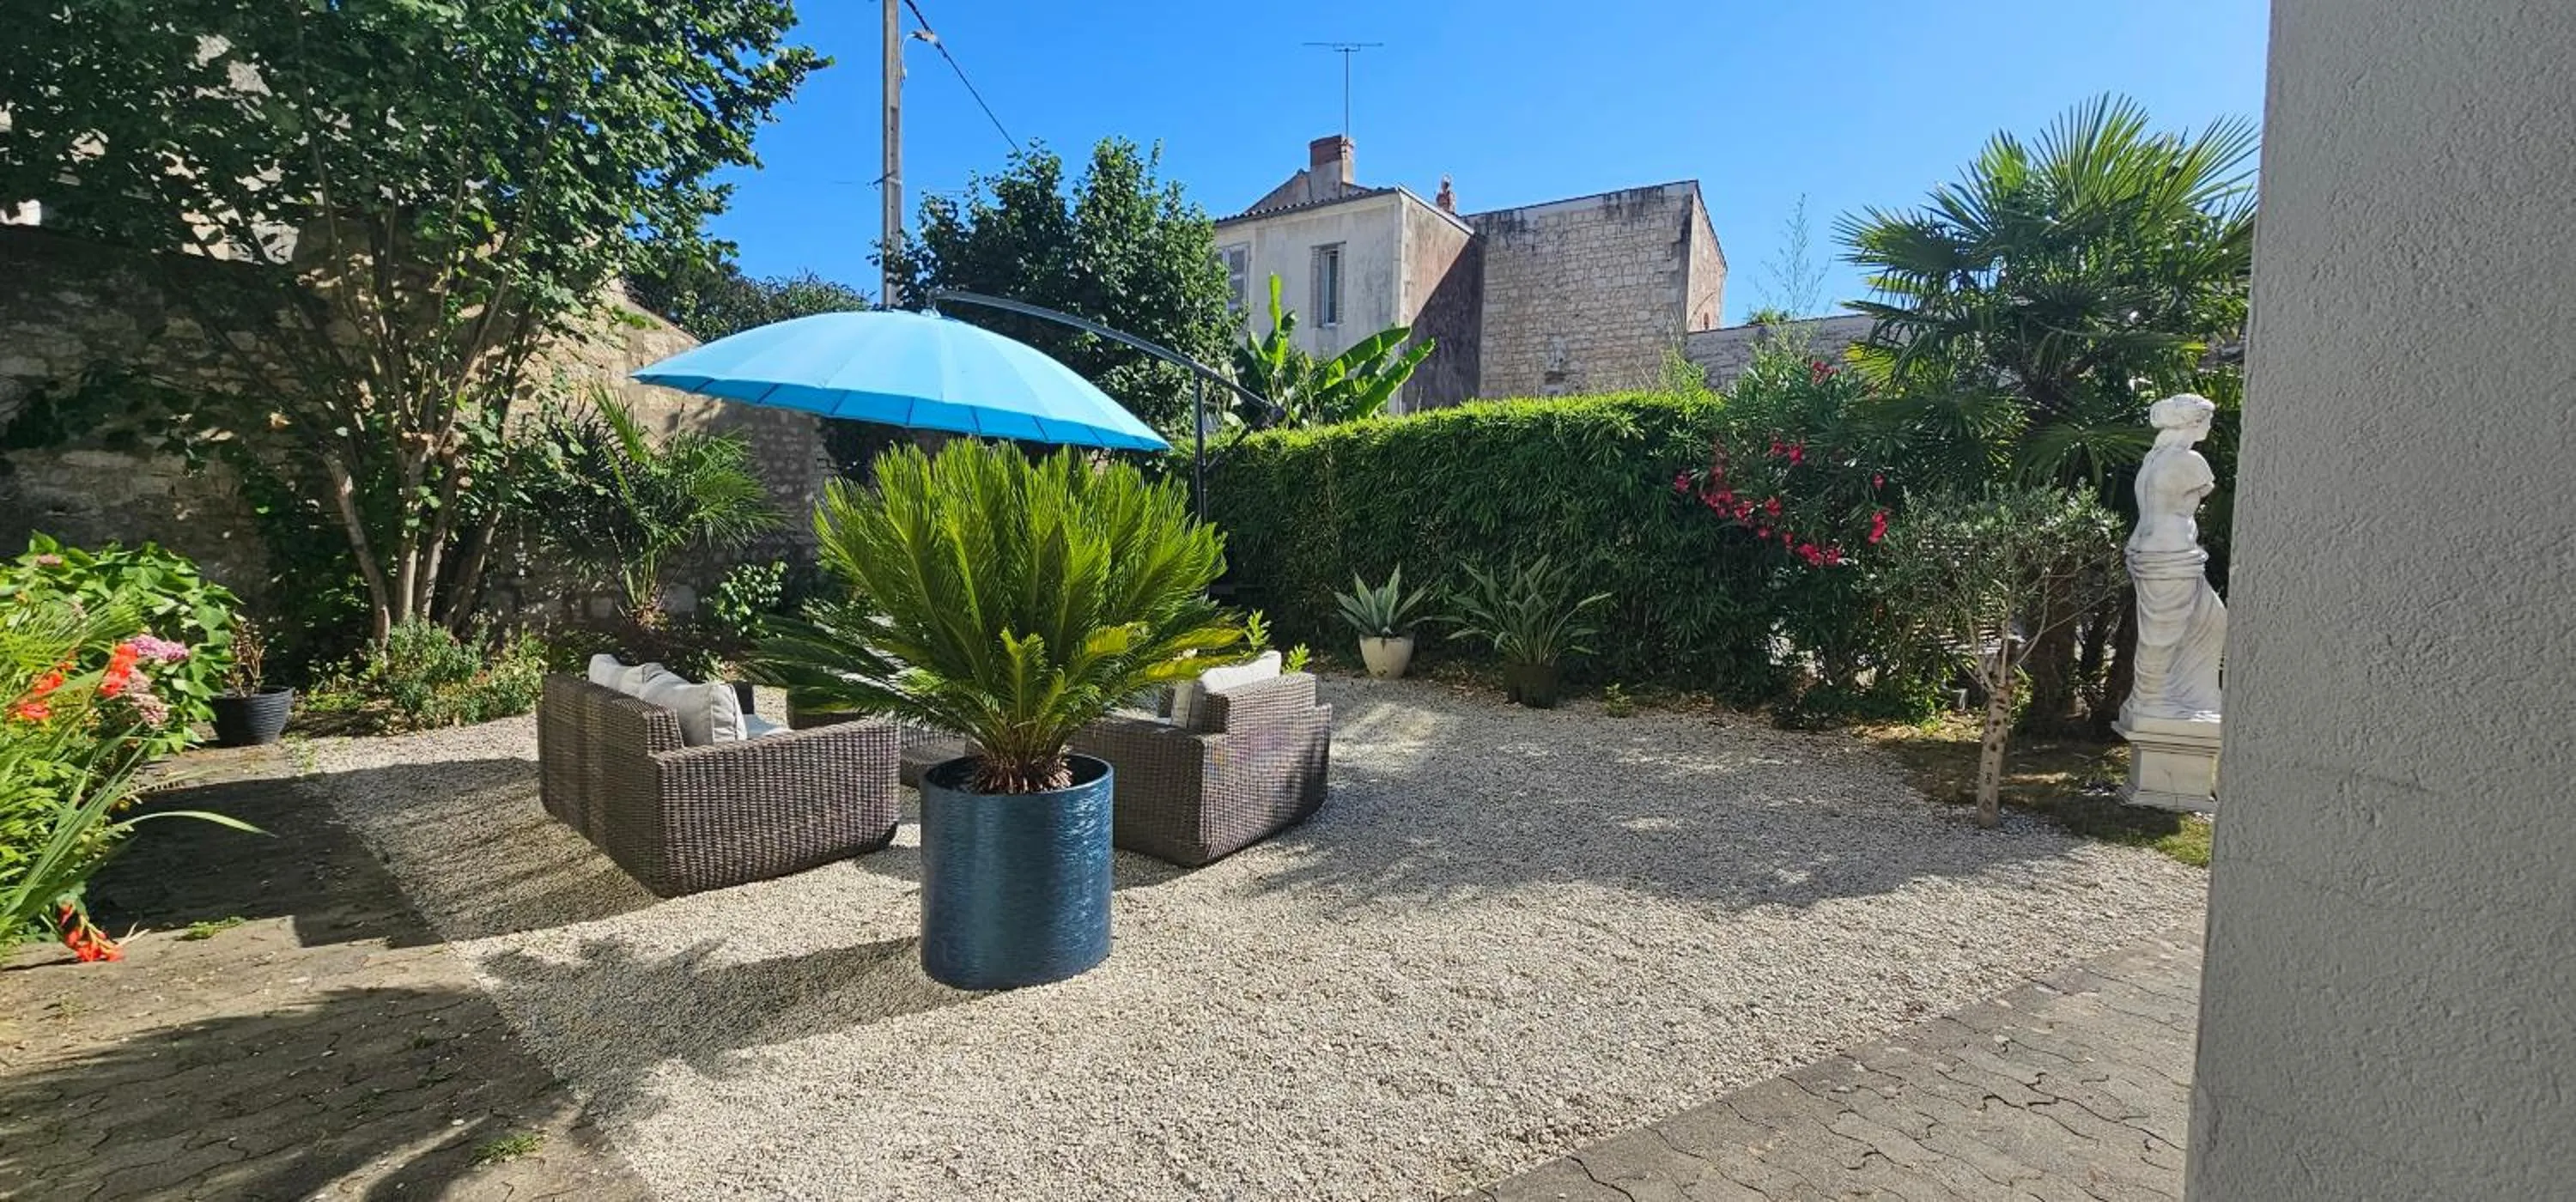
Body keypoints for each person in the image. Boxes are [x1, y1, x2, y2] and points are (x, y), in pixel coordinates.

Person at [2123, 394, 2227, 724]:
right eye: (2208, 419)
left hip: (2150, 547)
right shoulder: (2189, 461)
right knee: (2164, 631)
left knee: (2210, 619)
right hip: (2171, 552)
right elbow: (2204, 489)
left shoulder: (2154, 460)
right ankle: (2153, 699)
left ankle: (2184, 696)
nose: (2211, 425)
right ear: (2194, 422)